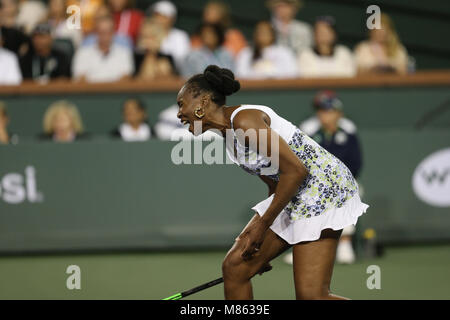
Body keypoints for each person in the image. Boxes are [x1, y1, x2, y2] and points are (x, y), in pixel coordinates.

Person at [176, 65, 369, 299]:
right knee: (235, 267)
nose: (179, 114)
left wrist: (262, 226)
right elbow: (275, 184)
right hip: (295, 192)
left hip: (323, 190)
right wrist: (265, 249)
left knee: (312, 296)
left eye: (181, 104)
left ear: (203, 102)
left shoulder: (245, 121)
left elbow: (296, 172)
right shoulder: (229, 140)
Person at [286, 90, 362, 264]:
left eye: (327, 111)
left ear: (338, 113)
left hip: (343, 181)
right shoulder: (308, 129)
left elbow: (356, 163)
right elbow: (300, 159)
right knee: (297, 194)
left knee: (351, 192)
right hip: (313, 182)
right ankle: (301, 244)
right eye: (320, 111)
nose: (323, 115)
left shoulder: (348, 130)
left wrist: (337, 180)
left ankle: (344, 244)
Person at [72, 15, 134, 82]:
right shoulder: (82, 53)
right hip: (90, 91)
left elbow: (126, 78)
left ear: (113, 32)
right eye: (102, 32)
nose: (105, 37)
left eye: (108, 32)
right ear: (96, 33)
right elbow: (80, 79)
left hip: (116, 91)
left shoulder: (124, 53)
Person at [148, 0, 190, 72]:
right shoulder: (147, 34)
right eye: (157, 15)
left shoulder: (180, 36)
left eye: (163, 16)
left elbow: (182, 61)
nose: (159, 19)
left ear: (172, 19)